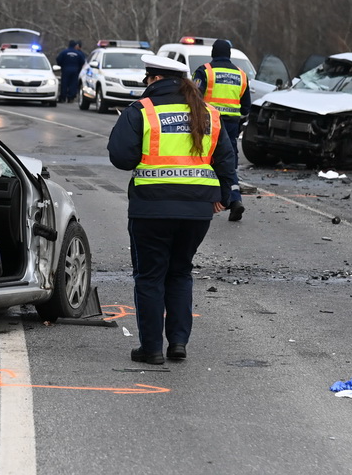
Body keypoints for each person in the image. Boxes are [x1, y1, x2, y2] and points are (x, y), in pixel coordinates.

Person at [107, 55, 237, 365]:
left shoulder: (141, 111)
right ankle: (178, 342)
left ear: (153, 79)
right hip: (197, 211)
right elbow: (226, 159)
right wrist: (226, 195)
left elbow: (121, 157)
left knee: (150, 277)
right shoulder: (208, 113)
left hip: (151, 208)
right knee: (180, 273)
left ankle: (151, 348)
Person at [191, 39, 250, 221]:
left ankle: (202, 200)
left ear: (213, 53)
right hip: (231, 124)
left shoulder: (205, 70)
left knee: (203, 158)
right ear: (230, 54)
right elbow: (246, 106)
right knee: (228, 162)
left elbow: (193, 97)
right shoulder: (241, 74)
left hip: (209, 121)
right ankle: (234, 199)